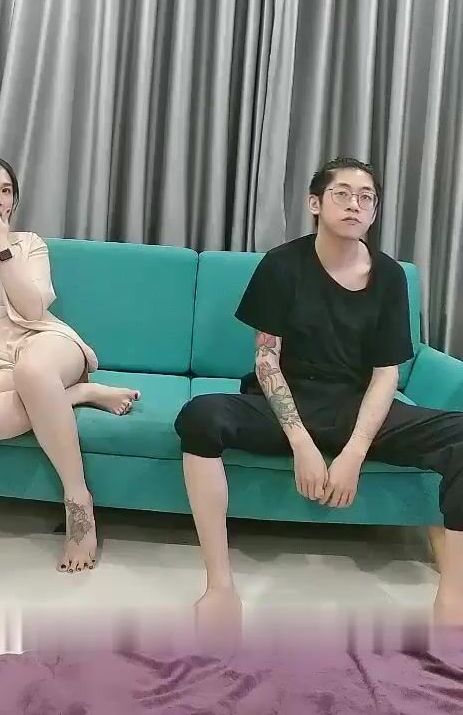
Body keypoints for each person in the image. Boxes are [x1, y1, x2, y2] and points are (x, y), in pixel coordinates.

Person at [175, 156, 463, 631]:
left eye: (366, 197)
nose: (355, 205)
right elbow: (266, 361)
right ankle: (219, 586)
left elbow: (386, 375)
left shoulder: (390, 276)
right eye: (342, 193)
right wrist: (302, 444)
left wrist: (353, 453)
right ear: (315, 203)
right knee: (200, 416)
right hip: (286, 403)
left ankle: (453, 601)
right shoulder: (282, 264)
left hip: (355, 407)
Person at [0, 155, 140, 573]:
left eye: (6, 190)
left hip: (46, 347)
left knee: (32, 372)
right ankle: (78, 394)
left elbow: (33, 309)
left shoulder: (26, 244)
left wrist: (0, 246)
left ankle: (78, 502)